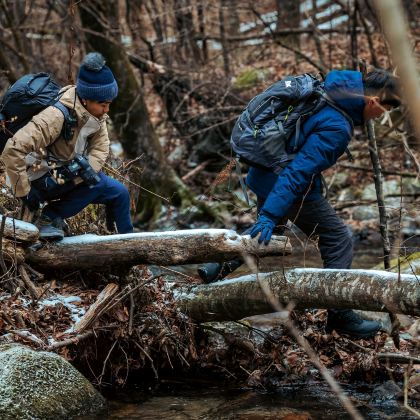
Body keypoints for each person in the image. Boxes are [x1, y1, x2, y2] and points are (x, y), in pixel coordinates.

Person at [199, 69, 400, 339]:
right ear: (373, 101)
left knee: (270, 233)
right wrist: (270, 213)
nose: (381, 117)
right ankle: (339, 314)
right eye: (385, 110)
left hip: (264, 174)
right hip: (284, 183)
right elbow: (297, 172)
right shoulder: (337, 125)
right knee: (338, 237)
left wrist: (271, 216)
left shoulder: (330, 89)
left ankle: (212, 268)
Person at [1, 52, 133, 240]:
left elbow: (101, 147)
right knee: (96, 184)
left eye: (109, 103)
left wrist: (85, 170)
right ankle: (47, 218)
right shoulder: (56, 116)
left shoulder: (96, 114)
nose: (107, 110)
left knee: (119, 193)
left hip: (64, 173)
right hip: (37, 178)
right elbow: (12, 150)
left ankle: (128, 246)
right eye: (103, 103)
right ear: (86, 98)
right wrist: (24, 194)